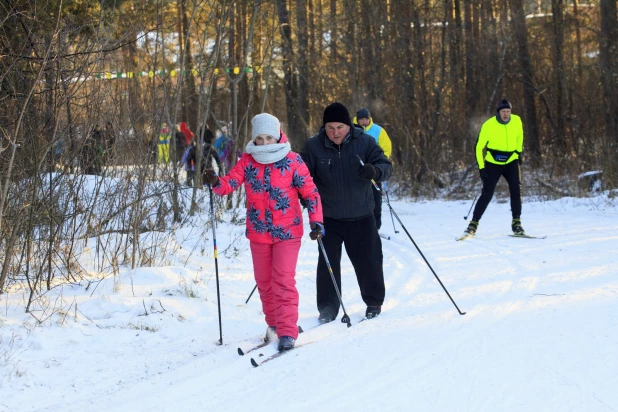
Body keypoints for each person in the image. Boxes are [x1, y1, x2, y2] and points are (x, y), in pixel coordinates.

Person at [202, 113, 324, 352]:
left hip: (288, 232)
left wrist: (316, 221)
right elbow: (229, 184)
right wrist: (215, 181)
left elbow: (311, 193)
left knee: (283, 280)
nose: (266, 143)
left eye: (270, 137)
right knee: (264, 282)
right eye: (260, 138)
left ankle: (288, 331)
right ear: (254, 140)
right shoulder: (248, 161)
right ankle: (275, 325)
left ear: (278, 136)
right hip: (258, 232)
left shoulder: (293, 161)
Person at [301, 102, 392, 323]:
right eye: (330, 128)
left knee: (368, 260)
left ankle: (373, 302)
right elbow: (302, 177)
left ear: (348, 126)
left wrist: (375, 171)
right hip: (328, 217)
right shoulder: (314, 146)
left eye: (340, 127)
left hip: (361, 214)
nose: (335, 132)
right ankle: (328, 308)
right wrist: (303, 198)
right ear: (324, 128)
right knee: (327, 263)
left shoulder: (365, 142)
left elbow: (385, 165)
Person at [464, 99, 525, 236]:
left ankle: (517, 223)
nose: (506, 114)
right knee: (487, 193)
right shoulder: (489, 125)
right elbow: (479, 147)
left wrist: (518, 151)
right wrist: (481, 168)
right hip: (493, 163)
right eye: (503, 111)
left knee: (516, 190)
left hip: (511, 161)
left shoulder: (517, 120)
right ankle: (473, 224)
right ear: (498, 112)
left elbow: (519, 135)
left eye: (508, 111)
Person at [354, 108, 392, 230]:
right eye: (362, 119)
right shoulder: (351, 130)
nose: (364, 122)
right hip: (357, 172)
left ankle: (376, 226)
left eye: (366, 119)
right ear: (357, 119)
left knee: (376, 198)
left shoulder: (378, 130)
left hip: (373, 172)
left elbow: (386, 148)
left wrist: (379, 164)